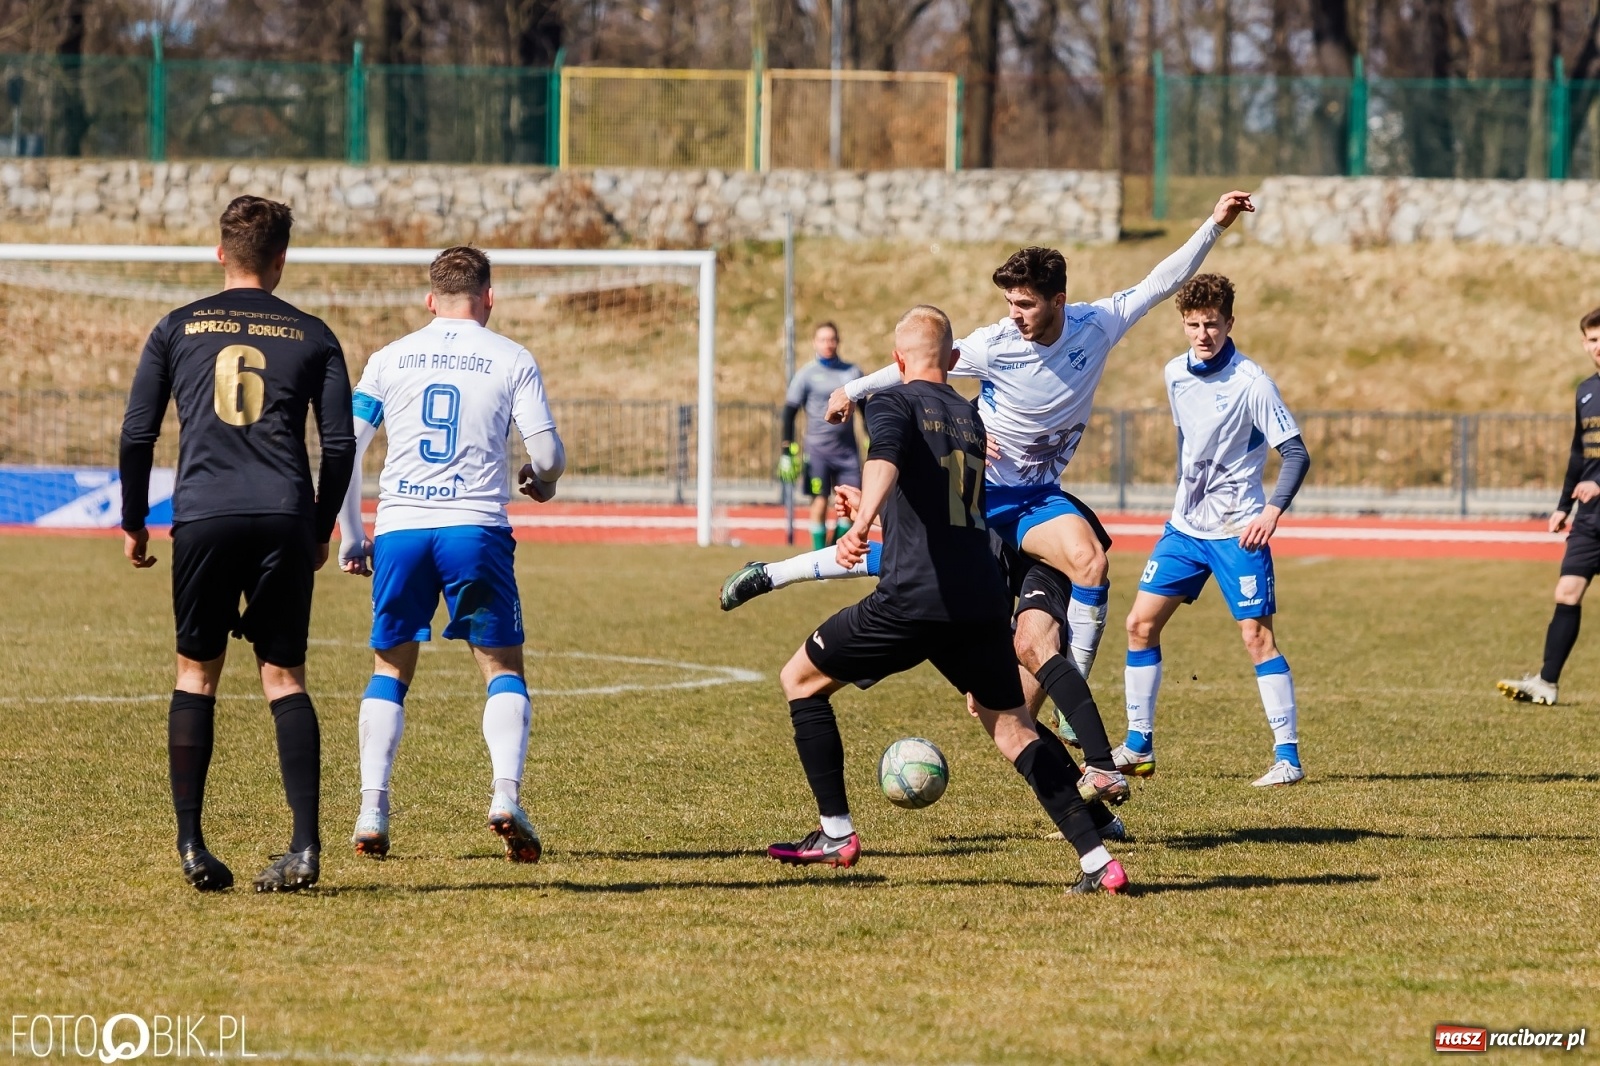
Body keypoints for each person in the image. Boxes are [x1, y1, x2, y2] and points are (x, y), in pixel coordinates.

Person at [767, 304, 1126, 894]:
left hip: (914, 598)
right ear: (956, 361)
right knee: (1012, 727)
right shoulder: (971, 416)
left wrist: (863, 524)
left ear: (898, 361)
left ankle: (835, 833)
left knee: (800, 680)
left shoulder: (893, 401)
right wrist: (873, 508)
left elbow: (885, 457)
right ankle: (1097, 860)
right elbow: (942, 501)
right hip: (980, 600)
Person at [824, 191, 1255, 683]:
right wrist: (851, 390)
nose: (1015, 314)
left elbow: (1162, 281)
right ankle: (781, 573)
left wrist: (1215, 224)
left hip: (1033, 499)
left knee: (1090, 563)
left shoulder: (1097, 325)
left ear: (1058, 301)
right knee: (912, 574)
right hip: (975, 494)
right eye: (1010, 302)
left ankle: (1077, 682)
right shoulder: (995, 343)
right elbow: (922, 362)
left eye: (1026, 304)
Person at [118, 195, 356, 893]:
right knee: (284, 678)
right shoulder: (314, 334)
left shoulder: (177, 326)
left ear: (220, 253)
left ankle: (193, 846)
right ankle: (305, 848)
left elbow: (137, 433)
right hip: (283, 514)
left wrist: (134, 521)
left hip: (204, 516)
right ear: (282, 260)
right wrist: (318, 527)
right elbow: (337, 443)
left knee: (197, 674)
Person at [336, 246, 566, 863]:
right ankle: (504, 794)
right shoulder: (511, 357)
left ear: (430, 300)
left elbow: (344, 452)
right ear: (489, 298)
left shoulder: (388, 359)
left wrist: (352, 532)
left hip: (402, 529)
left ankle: (371, 807)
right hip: (475, 531)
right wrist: (542, 484)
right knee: (502, 669)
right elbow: (546, 458)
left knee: (390, 672)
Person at [1114, 274, 1311, 788]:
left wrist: (1270, 513)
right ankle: (1138, 745)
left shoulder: (1253, 383)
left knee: (1256, 638)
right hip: (1184, 528)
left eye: (1212, 325)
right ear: (1183, 323)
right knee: (1139, 625)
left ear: (1230, 323)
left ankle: (1287, 758)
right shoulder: (1174, 373)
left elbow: (1294, 452)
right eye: (1193, 324)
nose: (1203, 334)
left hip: (1237, 531)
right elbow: (1188, 439)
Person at [1496, 307, 1600, 706]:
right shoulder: (1586, 391)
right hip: (1590, 517)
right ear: (1583, 343)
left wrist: (1599, 482)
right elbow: (1579, 452)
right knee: (1567, 591)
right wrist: (1563, 505)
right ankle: (1547, 682)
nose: (1597, 346)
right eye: (1591, 339)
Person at [778, 322, 865, 549]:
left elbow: (866, 408)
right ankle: (819, 554)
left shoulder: (852, 372)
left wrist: (872, 436)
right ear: (814, 342)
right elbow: (789, 411)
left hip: (847, 452)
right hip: (818, 452)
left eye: (832, 339)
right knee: (819, 502)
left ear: (838, 341)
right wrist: (787, 449)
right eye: (823, 340)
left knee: (850, 506)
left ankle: (834, 550)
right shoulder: (806, 375)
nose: (828, 344)